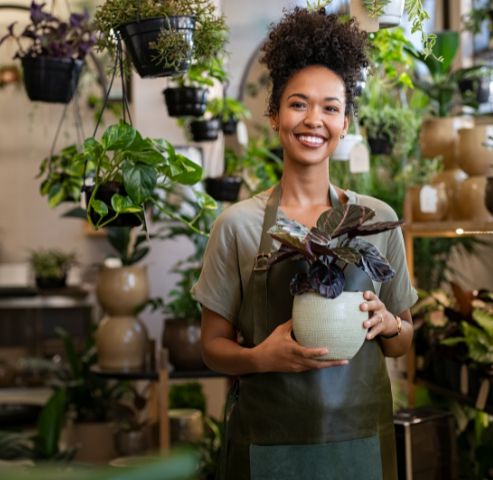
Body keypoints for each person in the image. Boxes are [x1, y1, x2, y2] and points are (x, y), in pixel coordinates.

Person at [190, 7, 417, 480]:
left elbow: (402, 343)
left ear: (346, 122)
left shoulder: (377, 220)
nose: (314, 120)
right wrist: (258, 358)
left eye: (331, 107)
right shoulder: (237, 225)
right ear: (274, 116)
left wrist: (390, 323)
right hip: (269, 448)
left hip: (360, 448)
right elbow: (211, 346)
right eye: (298, 104)